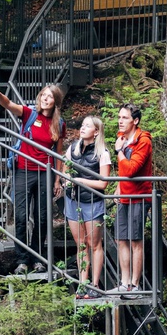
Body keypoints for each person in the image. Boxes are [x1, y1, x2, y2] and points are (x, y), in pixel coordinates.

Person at [0, 80, 65, 274]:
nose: (46, 99)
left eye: (50, 97)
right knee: (20, 216)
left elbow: (59, 154)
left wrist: (57, 180)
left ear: (55, 102)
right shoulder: (30, 114)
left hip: (45, 173)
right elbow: (9, 105)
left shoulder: (59, 124)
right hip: (23, 170)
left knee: (42, 218)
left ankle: (37, 258)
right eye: (44, 95)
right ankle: (22, 260)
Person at [62, 116, 111, 299]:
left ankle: (95, 285)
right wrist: (66, 182)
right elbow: (65, 170)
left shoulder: (102, 152)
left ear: (96, 132)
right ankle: (83, 284)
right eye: (82, 125)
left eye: (87, 126)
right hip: (73, 200)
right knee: (81, 244)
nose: (82, 128)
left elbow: (103, 183)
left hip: (92, 201)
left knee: (94, 244)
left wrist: (81, 181)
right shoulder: (73, 147)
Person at [110, 103, 153, 299]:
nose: (120, 121)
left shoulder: (143, 141)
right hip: (124, 196)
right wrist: (118, 186)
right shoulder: (121, 138)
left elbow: (130, 170)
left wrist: (119, 151)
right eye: (119, 117)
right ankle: (124, 282)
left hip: (138, 196)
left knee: (136, 240)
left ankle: (135, 285)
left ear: (135, 121)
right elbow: (122, 174)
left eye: (125, 118)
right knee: (121, 239)